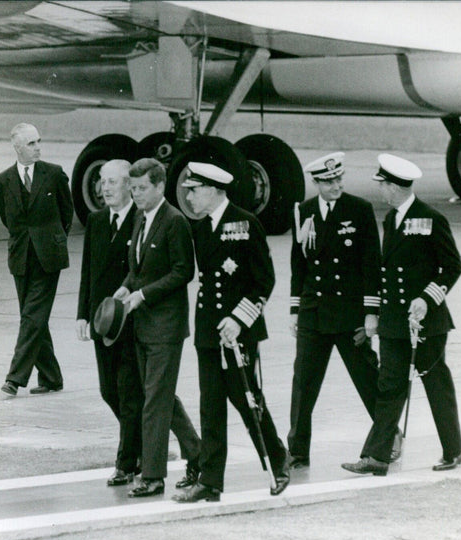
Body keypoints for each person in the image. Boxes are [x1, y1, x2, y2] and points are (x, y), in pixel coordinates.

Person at [173, 162, 290, 503]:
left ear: (213, 189)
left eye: (193, 190)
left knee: (247, 400)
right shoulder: (201, 227)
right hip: (210, 332)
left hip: (238, 332)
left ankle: (277, 459)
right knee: (210, 407)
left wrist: (239, 319)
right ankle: (210, 481)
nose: (189, 196)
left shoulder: (245, 223)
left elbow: (263, 280)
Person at [342, 154, 461, 476]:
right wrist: (377, 316)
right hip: (395, 323)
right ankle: (377, 457)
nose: (381, 190)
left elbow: (452, 267)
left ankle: (453, 450)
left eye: (383, 185)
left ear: (395, 187)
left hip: (426, 323)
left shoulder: (431, 219)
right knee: (389, 387)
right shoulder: (391, 220)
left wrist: (426, 298)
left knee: (437, 386)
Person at [287, 152, 400, 468]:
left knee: (367, 380)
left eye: (339, 179)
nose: (335, 185)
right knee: (303, 383)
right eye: (329, 181)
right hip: (314, 312)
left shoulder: (359, 210)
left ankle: (388, 437)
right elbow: (299, 265)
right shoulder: (305, 212)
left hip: (350, 315)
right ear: (317, 183)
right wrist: (295, 309)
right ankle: (297, 449)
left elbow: (370, 265)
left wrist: (370, 312)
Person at [113, 158, 201, 498]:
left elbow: (183, 272)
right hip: (143, 326)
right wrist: (126, 286)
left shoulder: (174, 221)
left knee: (154, 400)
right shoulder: (141, 217)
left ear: (160, 186)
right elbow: (139, 266)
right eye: (132, 189)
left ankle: (152, 475)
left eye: (142, 188)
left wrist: (143, 295)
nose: (135, 195)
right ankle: (197, 454)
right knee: (160, 396)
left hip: (165, 326)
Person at [76, 160, 143, 486]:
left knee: (129, 393)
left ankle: (126, 463)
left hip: (130, 323)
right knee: (108, 390)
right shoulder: (97, 220)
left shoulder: (141, 221)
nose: (104, 188)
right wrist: (82, 316)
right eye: (102, 181)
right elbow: (89, 273)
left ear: (129, 185)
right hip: (103, 323)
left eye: (112, 182)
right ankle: (139, 443)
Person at [0, 123, 73, 397]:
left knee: (32, 317)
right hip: (20, 257)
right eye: (31, 144)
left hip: (48, 257)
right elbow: (7, 219)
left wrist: (52, 240)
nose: (38, 147)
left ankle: (15, 378)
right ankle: (52, 377)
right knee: (34, 318)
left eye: (39, 141)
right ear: (18, 148)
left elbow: (67, 213)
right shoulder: (3, 180)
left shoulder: (53, 174)